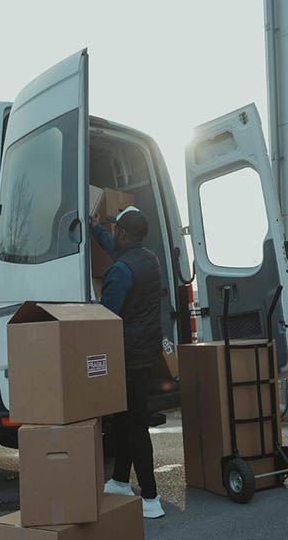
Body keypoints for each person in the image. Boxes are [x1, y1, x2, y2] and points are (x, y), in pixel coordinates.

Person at [91, 206, 165, 519]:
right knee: (123, 420)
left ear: (122, 233)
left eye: (115, 231)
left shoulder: (120, 271)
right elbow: (117, 251)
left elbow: (106, 318)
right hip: (146, 354)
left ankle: (151, 497)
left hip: (126, 357)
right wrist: (96, 228)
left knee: (135, 424)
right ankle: (121, 480)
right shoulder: (150, 260)